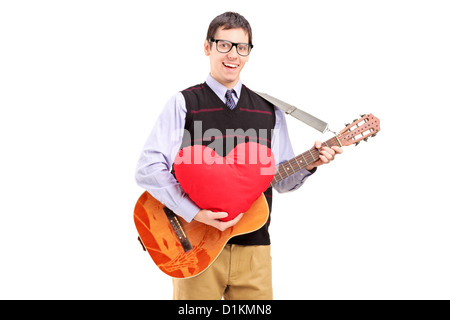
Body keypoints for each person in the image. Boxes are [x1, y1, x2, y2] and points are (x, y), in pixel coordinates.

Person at [135, 11, 343, 300]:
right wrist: (194, 214)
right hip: (195, 250)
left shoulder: (269, 110)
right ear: (207, 47)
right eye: (224, 45)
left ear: (248, 54)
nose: (232, 54)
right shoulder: (184, 103)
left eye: (241, 47)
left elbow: (280, 179)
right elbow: (148, 167)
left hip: (254, 250)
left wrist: (311, 163)